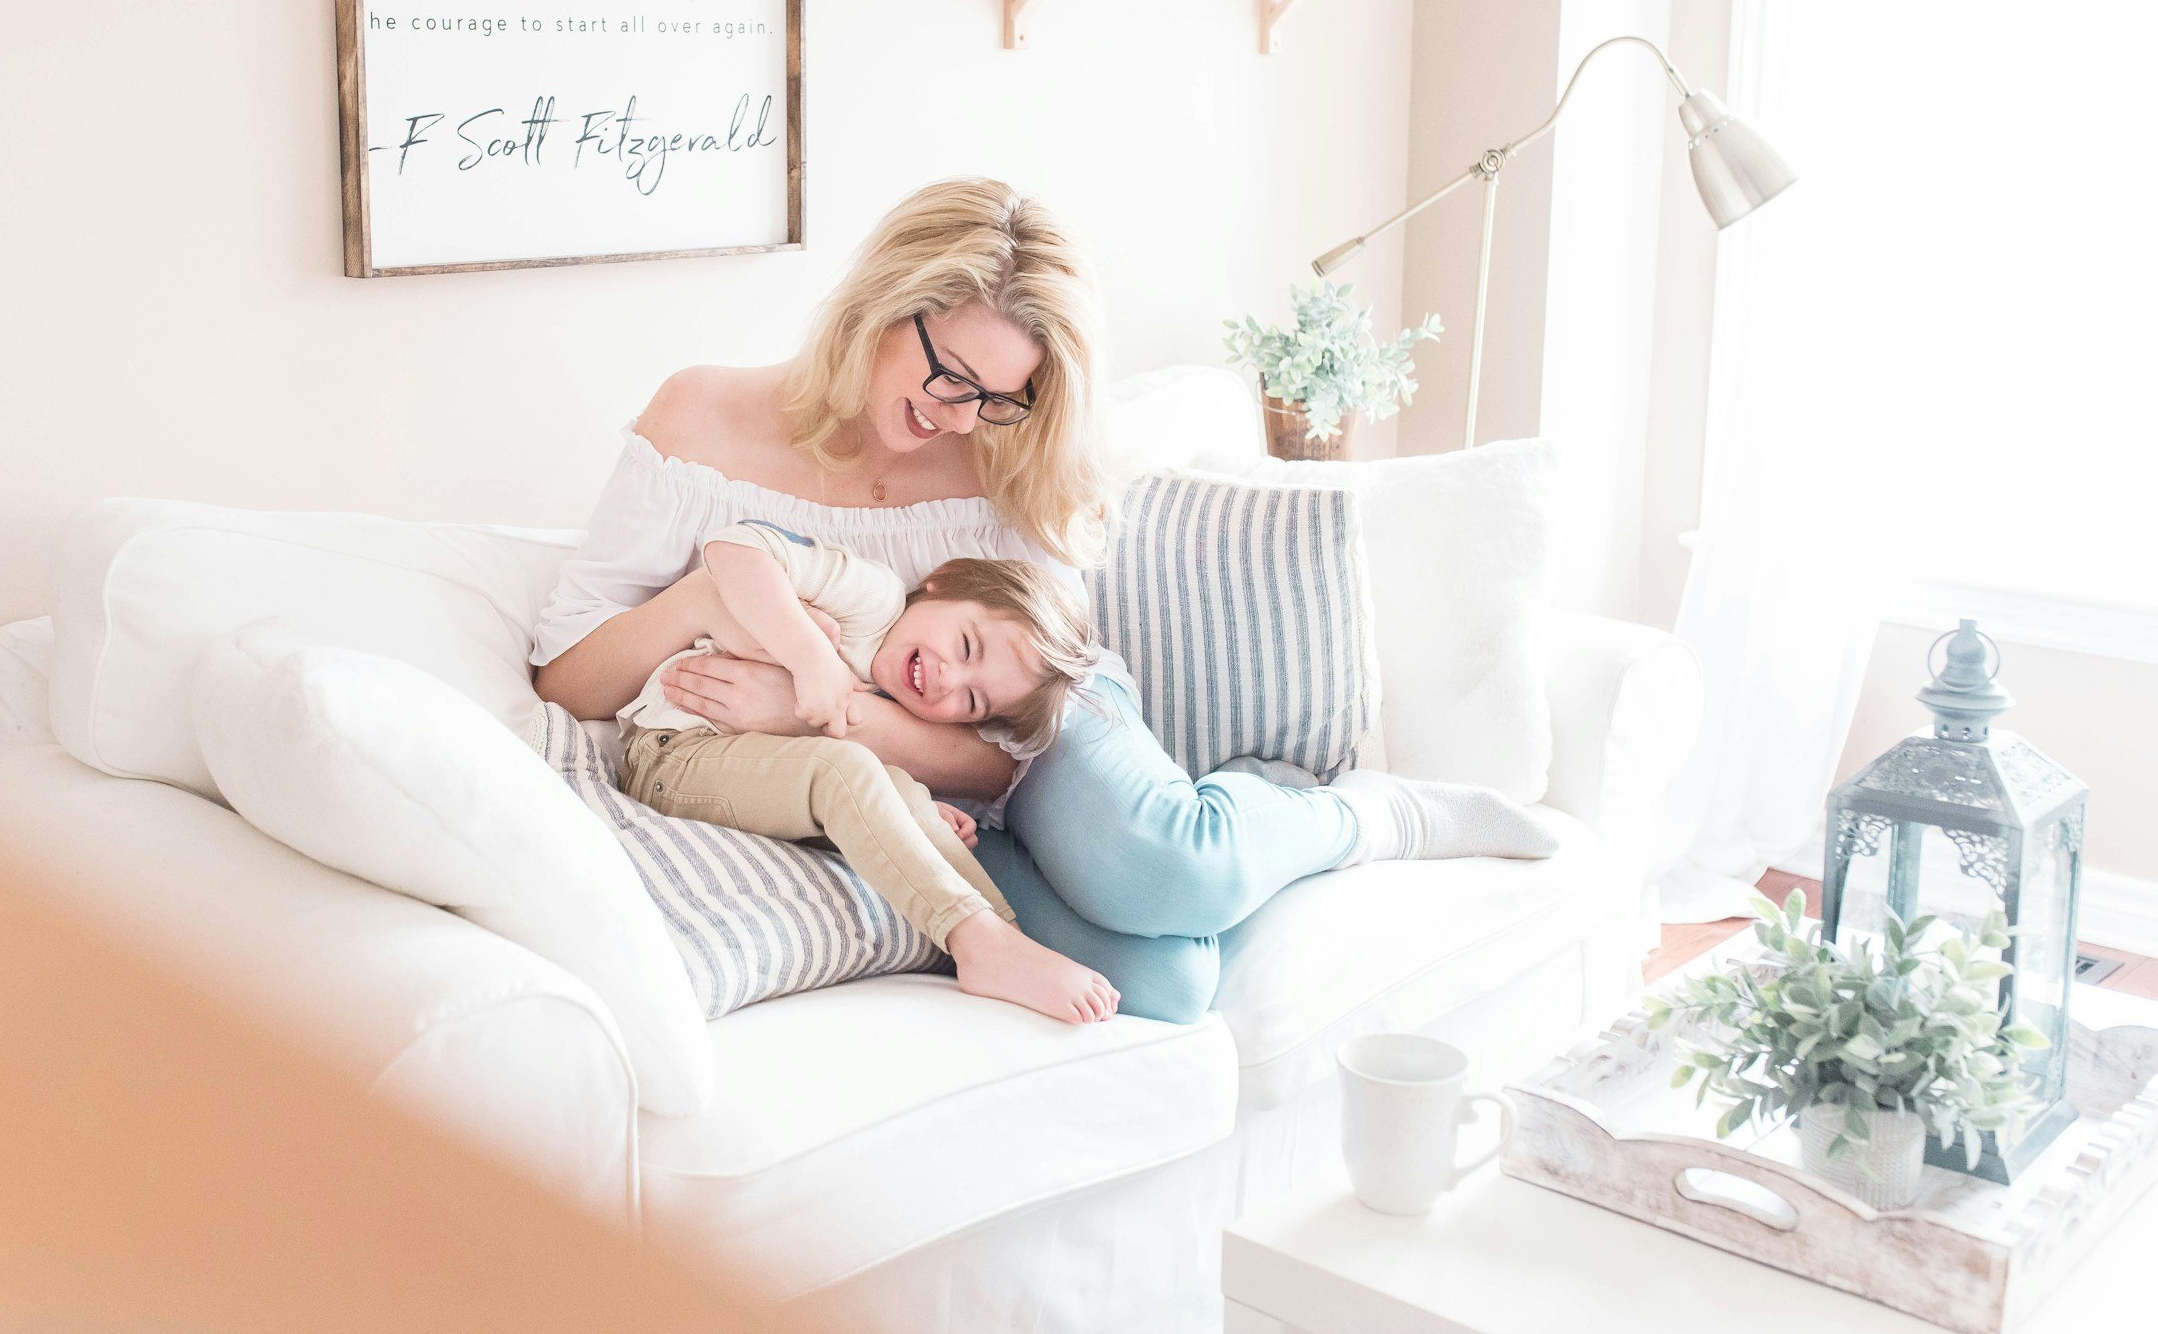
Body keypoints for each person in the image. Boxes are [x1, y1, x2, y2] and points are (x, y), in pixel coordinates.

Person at [532, 177, 1553, 1025]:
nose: (955, 417)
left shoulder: (1000, 453)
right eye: (948, 375)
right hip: (886, 769)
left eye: (995, 397)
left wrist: (829, 708)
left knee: (1170, 871)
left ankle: (1360, 818)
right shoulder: (702, 419)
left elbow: (1002, 742)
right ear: (881, 307)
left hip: (1028, 701)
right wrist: (713, 600)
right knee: (1164, 987)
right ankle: (1214, 826)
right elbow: (565, 677)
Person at [618, 518, 1116, 1023]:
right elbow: (732, 547)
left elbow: (811, 776)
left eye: (971, 700)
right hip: (673, 754)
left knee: (899, 788)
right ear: (944, 582)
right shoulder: (871, 600)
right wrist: (810, 657)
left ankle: (998, 938)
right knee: (848, 768)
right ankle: (975, 941)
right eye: (966, 646)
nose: (949, 678)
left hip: (746, 780)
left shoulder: (895, 701)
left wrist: (909, 811)